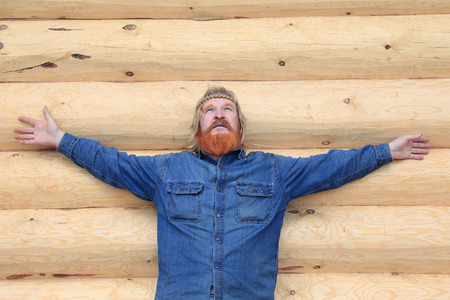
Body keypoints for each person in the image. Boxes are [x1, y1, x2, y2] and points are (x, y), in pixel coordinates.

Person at [14, 87, 431, 300]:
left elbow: (330, 167)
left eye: (227, 109)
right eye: (210, 110)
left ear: (240, 129)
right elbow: (113, 163)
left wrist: (386, 152)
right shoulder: (165, 170)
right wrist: (62, 139)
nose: (218, 113)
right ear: (197, 128)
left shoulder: (273, 172)